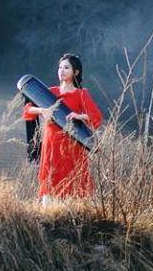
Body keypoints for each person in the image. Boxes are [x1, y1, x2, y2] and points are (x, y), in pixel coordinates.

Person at [23, 53, 103, 205]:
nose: (62, 71)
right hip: (51, 145)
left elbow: (97, 117)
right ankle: (50, 214)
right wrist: (42, 111)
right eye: (60, 67)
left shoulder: (81, 94)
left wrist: (79, 116)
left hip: (73, 146)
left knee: (74, 187)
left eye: (66, 68)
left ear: (76, 72)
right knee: (50, 185)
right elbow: (28, 110)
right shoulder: (50, 92)